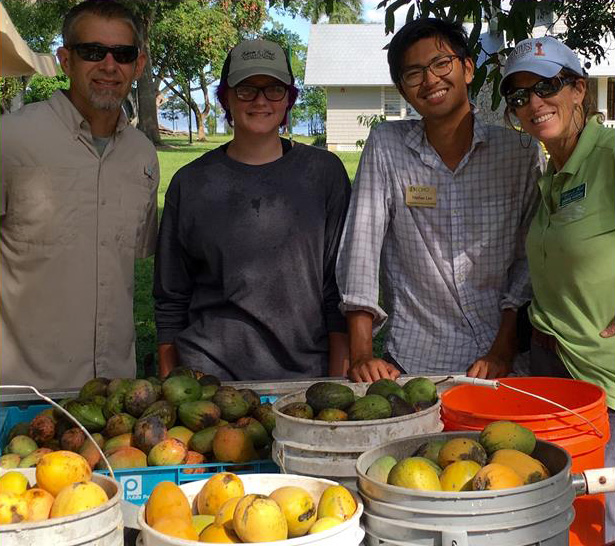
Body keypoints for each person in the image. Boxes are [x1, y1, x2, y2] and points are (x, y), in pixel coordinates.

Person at [336, 18, 544, 383]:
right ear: (402, 90)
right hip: (414, 358)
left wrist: (503, 348)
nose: (430, 80)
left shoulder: (519, 152)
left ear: (467, 69)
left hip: (503, 358)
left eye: (441, 64)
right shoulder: (387, 146)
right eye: (414, 73)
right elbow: (361, 248)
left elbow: (529, 259)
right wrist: (362, 353)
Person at [154, 39, 350, 381]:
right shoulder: (191, 183)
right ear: (226, 98)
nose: (260, 100)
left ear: (289, 98)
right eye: (246, 89)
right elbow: (170, 298)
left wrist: (335, 383)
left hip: (306, 376)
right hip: (209, 378)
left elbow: (339, 291)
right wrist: (172, 386)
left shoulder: (324, 174)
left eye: (274, 89)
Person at [0, 0, 159, 389]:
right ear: (66, 60)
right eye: (92, 51)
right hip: (22, 392)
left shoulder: (142, 155)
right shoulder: (10, 141)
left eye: (122, 54)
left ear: (137, 66)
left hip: (115, 398)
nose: (109, 65)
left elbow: (134, 255)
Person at [500, 35, 615, 542]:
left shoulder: (608, 155)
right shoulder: (552, 171)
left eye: (546, 87)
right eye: (520, 96)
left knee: (602, 520)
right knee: (567, 518)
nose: (533, 103)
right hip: (554, 369)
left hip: (605, 379)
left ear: (578, 91)